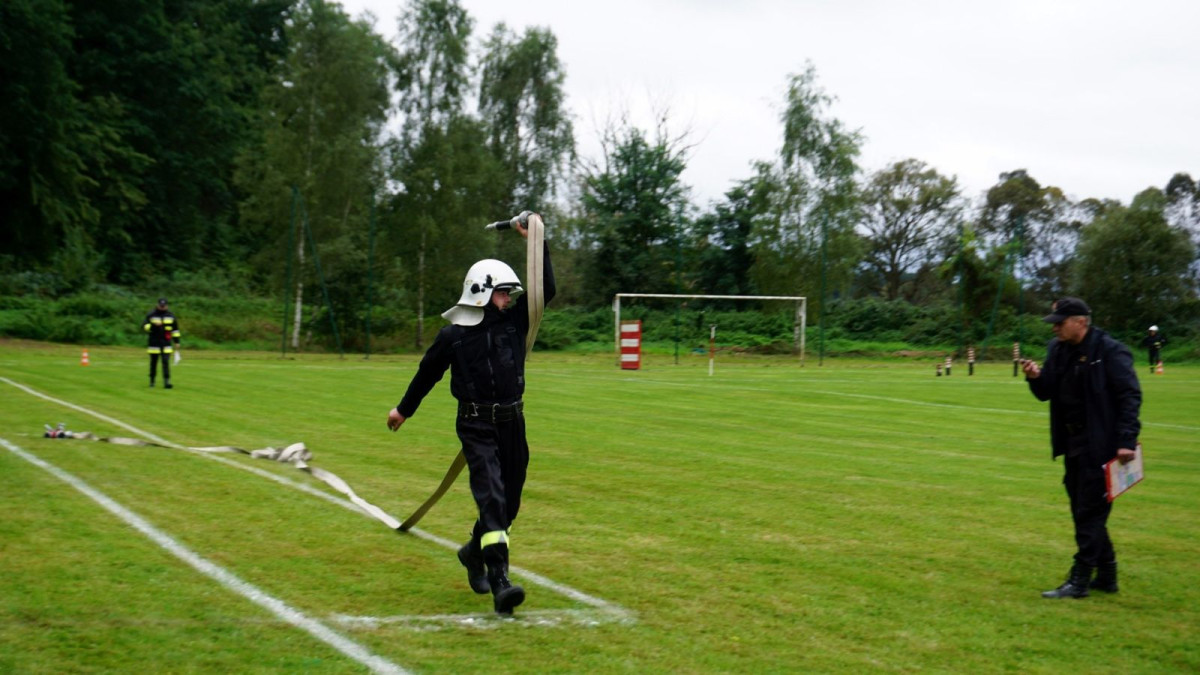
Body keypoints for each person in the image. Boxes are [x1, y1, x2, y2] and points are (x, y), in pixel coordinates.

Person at [386, 220, 554, 615]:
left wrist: (537, 245)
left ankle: (472, 553)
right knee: (492, 497)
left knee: (508, 504)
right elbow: (427, 373)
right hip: (476, 425)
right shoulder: (453, 336)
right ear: (480, 292)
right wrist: (403, 410)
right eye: (502, 293)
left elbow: (545, 291)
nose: (509, 299)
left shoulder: (516, 323)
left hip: (514, 423)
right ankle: (500, 582)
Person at [1020, 297, 1141, 599]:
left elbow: (1130, 397)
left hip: (1101, 444)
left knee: (1089, 511)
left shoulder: (1110, 351)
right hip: (1072, 442)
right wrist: (1035, 378)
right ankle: (1108, 574)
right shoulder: (1058, 350)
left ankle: (1080, 580)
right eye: (1054, 323)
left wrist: (1126, 441)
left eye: (1061, 322)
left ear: (1081, 321)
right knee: (1082, 508)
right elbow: (1047, 391)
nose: (1055, 328)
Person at [143, 297, 181, 389]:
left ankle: (167, 382)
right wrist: (153, 326)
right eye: (161, 306)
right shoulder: (151, 315)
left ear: (167, 305)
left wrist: (177, 342)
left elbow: (175, 330)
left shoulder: (171, 316)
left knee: (165, 362)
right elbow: (145, 326)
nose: (162, 307)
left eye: (164, 306)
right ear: (158, 305)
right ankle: (152, 382)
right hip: (154, 342)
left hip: (166, 343)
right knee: (153, 362)